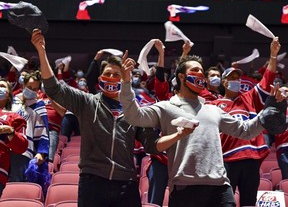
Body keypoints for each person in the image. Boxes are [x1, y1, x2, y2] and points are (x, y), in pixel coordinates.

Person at [120, 53, 286, 207]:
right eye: (194, 70)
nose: (200, 73)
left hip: (220, 188)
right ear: (181, 76)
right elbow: (134, 116)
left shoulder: (213, 109)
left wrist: (267, 112)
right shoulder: (166, 107)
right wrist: (126, 83)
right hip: (185, 187)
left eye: (201, 70)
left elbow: (246, 131)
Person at [31, 29, 160, 207]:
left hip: (126, 183)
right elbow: (54, 89)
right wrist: (41, 52)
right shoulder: (87, 102)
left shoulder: (135, 111)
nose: (112, 78)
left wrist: (176, 134)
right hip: (93, 183)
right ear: (100, 78)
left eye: (117, 75)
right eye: (108, 74)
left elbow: (151, 144)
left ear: (124, 80)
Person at [210, 37, 280, 206]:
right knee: (226, 203)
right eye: (232, 78)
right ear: (224, 82)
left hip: (251, 157)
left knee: (249, 202)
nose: (237, 81)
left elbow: (267, 79)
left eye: (238, 78)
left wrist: (272, 56)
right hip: (226, 159)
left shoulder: (249, 98)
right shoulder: (213, 105)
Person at [10, 70, 49, 182]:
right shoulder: (12, 101)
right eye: (29, 87)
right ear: (23, 85)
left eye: (35, 89)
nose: (31, 91)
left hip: (24, 152)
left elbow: (43, 132)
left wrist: (41, 153)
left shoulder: (39, 106)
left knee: (16, 185)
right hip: (6, 148)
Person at [0, 78, 28, 196]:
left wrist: (11, 132)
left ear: (8, 94)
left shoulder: (15, 117)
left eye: (2, 86)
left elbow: (22, 147)